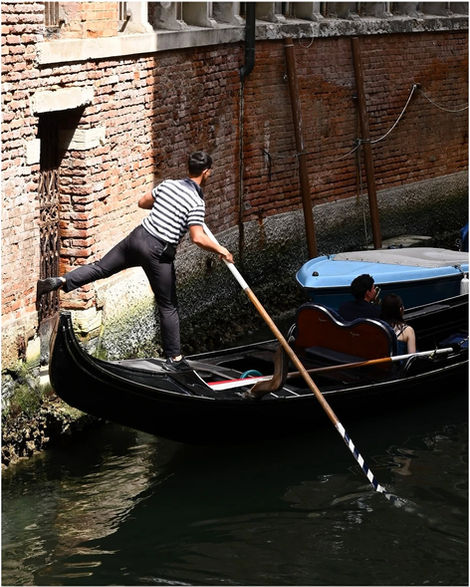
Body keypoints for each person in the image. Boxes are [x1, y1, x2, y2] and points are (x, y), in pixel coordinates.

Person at [36, 151, 234, 370]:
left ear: (188, 168)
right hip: (158, 252)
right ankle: (175, 359)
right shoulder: (197, 202)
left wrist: (164, 207)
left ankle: (60, 281)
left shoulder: (168, 186)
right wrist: (220, 249)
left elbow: (143, 202)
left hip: (137, 237)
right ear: (206, 172)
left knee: (100, 267)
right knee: (168, 306)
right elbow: (197, 237)